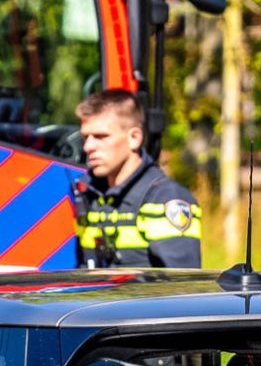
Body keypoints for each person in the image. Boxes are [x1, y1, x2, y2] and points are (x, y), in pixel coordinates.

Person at [71, 90, 201, 269]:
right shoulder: (92, 195)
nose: (88, 147)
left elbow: (182, 289)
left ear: (134, 138)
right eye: (86, 137)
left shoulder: (165, 199)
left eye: (101, 136)